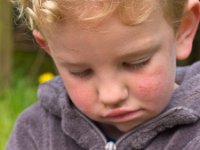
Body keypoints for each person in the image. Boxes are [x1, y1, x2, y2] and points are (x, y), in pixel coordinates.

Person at [7, 0, 200, 149]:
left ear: (183, 29)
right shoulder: (35, 132)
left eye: (136, 63)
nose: (111, 95)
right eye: (81, 72)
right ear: (49, 49)